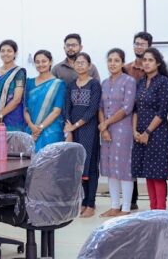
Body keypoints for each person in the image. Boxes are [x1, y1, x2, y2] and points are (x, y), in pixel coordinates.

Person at [131, 48, 168, 210]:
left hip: (157, 133)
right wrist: (135, 131)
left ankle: (160, 211)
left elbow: (162, 112)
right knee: (148, 173)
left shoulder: (164, 82)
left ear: (158, 63)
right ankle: (152, 210)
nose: (147, 63)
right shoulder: (141, 82)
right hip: (140, 133)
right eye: (145, 60)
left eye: (150, 60)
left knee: (157, 174)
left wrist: (147, 132)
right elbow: (135, 109)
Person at [98, 48, 137, 218]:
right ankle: (114, 206)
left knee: (124, 168)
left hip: (123, 130)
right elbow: (100, 107)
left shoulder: (129, 81)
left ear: (122, 63)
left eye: (116, 60)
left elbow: (127, 107)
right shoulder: (105, 83)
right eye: (110, 60)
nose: (112, 64)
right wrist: (104, 128)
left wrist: (105, 124)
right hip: (106, 130)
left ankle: (126, 208)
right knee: (110, 167)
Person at [63, 52, 102, 218]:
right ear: (73, 65)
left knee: (90, 166)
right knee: (78, 167)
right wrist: (69, 128)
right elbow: (67, 107)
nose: (79, 65)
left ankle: (91, 203)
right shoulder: (71, 85)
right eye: (77, 63)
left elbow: (92, 109)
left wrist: (76, 125)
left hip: (89, 130)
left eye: (83, 62)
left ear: (89, 65)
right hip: (73, 130)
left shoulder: (94, 85)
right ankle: (83, 202)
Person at [123, 31, 152, 211]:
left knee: (151, 160)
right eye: (136, 43)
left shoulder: (155, 68)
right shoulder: (126, 68)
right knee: (129, 159)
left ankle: (156, 204)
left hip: (149, 119)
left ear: (149, 46)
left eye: (142, 44)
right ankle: (131, 199)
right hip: (127, 119)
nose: (139, 47)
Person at [23, 50, 66, 152]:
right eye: (37, 62)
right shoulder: (29, 82)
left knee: (50, 160)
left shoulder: (58, 84)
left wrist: (40, 128)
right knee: (30, 160)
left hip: (51, 132)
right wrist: (32, 126)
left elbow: (56, 111)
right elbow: (25, 109)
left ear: (50, 62)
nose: (40, 64)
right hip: (31, 130)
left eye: (44, 61)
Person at [0, 40, 27, 133]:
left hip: (13, 119)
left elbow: (17, 99)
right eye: (3, 51)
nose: (5, 53)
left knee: (14, 142)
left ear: (15, 53)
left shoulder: (19, 72)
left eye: (9, 51)